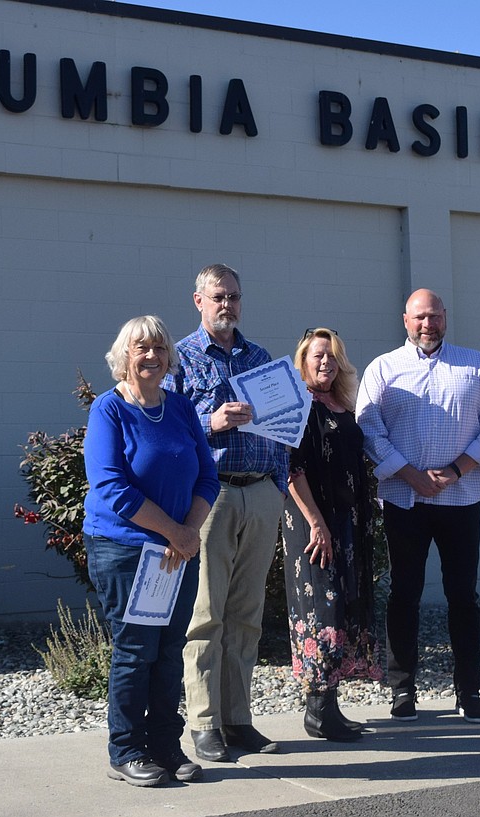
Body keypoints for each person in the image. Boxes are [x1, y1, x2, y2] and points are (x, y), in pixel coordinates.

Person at [356, 288, 480, 723]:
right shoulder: (383, 369)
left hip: (462, 498)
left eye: (435, 316)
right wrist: (411, 475)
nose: (428, 325)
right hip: (405, 500)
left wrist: (454, 471)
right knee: (404, 595)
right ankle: (403, 691)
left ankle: (470, 691)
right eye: (420, 317)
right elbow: (368, 428)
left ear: (446, 317)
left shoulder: (477, 365)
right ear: (405, 319)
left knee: (463, 597)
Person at [82, 315, 220, 787]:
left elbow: (208, 476)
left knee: (167, 652)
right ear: (123, 358)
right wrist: (174, 534)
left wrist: (189, 531)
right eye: (141, 349)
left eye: (160, 349)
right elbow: (111, 487)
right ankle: (125, 750)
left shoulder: (180, 409)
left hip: (177, 551)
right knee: (135, 651)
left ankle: (164, 745)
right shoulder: (108, 410)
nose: (152, 356)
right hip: (126, 551)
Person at [165, 263, 290, 763]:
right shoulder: (180, 357)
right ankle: (203, 723)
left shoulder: (259, 357)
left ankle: (238, 718)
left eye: (235, 297)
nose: (228, 305)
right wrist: (211, 422)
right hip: (212, 497)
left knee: (247, 615)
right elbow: (169, 425)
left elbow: (284, 425)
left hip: (260, 492)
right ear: (198, 300)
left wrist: (278, 487)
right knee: (206, 613)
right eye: (219, 296)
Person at [282, 327, 382, 742]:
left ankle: (329, 707)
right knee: (320, 607)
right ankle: (318, 712)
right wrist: (316, 521)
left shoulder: (342, 405)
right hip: (313, 523)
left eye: (332, 356)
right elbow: (291, 468)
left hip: (346, 522)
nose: (325, 362)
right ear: (302, 361)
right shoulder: (297, 404)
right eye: (317, 356)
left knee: (342, 605)